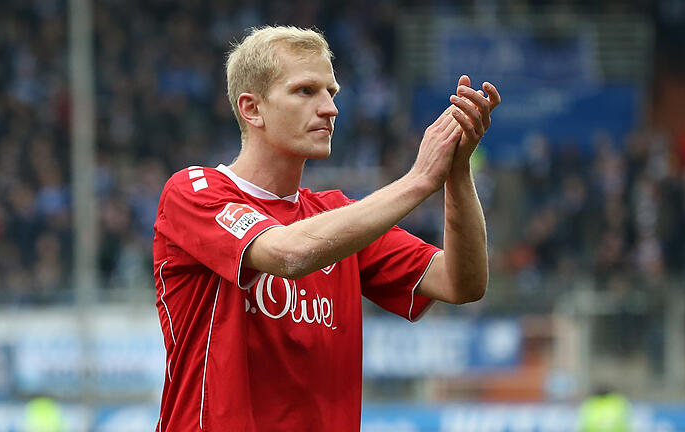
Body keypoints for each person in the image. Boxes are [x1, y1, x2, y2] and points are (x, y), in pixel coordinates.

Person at [152, 25, 500, 431]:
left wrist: (456, 173)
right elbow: (289, 254)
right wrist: (418, 180)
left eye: (331, 93)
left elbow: (462, 283)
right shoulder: (193, 192)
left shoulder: (336, 215)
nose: (330, 108)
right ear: (252, 109)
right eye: (306, 91)